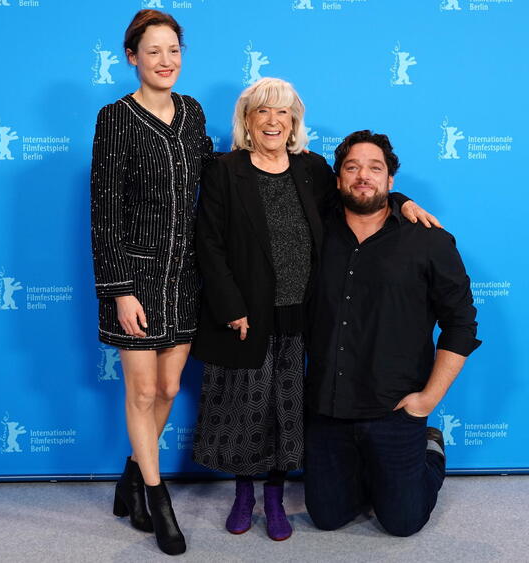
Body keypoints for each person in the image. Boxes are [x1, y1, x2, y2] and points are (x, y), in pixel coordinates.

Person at [190, 79, 438, 541]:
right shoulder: (225, 170)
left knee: (286, 412)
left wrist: (401, 202)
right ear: (247, 119)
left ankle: (275, 497)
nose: (272, 121)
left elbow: (360, 197)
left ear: (294, 122)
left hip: (300, 317)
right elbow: (209, 243)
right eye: (262, 111)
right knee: (246, 411)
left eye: (282, 113)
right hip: (245, 316)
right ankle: (245, 493)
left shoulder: (312, 169)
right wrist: (230, 307)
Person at [304, 130, 481, 537]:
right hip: (327, 408)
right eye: (352, 168)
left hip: (396, 409)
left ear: (390, 181)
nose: (362, 176)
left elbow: (461, 324)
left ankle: (430, 449)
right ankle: (368, 471)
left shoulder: (429, 240)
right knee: (328, 517)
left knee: (403, 522)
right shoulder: (314, 231)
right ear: (337, 179)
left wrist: (428, 400)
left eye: (374, 168)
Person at [90, 9, 213, 556]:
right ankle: (158, 500)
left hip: (184, 275)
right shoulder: (114, 118)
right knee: (140, 390)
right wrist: (119, 289)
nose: (166, 61)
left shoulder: (191, 113)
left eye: (174, 50)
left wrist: (282, 158)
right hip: (134, 278)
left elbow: (216, 177)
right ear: (132, 58)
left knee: (166, 389)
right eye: (154, 51)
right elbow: (104, 212)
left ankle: (129, 479)